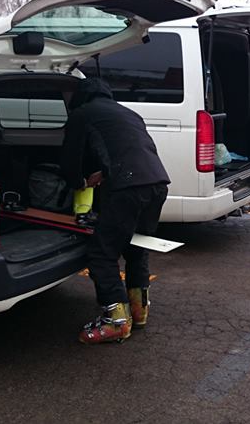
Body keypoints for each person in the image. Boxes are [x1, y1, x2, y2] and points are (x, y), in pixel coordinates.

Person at [60, 77, 170, 344]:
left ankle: (116, 321)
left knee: (101, 254)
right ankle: (139, 311)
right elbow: (127, 150)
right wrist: (105, 172)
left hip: (128, 188)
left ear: (80, 97)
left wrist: (78, 182)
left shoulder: (82, 114)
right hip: (157, 183)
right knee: (136, 247)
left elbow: (71, 160)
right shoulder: (129, 113)